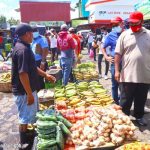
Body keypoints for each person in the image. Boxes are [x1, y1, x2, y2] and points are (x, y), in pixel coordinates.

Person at [12, 23, 56, 149]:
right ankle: (24, 143)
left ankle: (28, 138)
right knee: (24, 118)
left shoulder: (25, 47)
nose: (33, 35)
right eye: (31, 33)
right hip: (24, 91)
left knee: (28, 116)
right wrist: (29, 94)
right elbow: (23, 74)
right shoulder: (23, 50)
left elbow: (32, 67)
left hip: (27, 90)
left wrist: (45, 75)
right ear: (27, 34)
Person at [115, 11, 150, 126]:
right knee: (125, 100)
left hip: (145, 75)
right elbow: (117, 54)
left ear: (142, 21)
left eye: (136, 23)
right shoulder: (124, 35)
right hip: (127, 74)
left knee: (141, 99)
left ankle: (139, 116)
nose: (133, 26)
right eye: (131, 23)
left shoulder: (149, 34)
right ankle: (123, 119)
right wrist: (116, 70)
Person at [102, 16, 124, 104]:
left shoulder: (127, 34)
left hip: (126, 63)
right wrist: (106, 57)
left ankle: (123, 102)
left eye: (116, 24)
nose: (115, 26)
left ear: (122, 24)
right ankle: (115, 102)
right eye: (113, 25)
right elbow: (103, 47)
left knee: (124, 85)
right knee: (115, 85)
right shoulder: (111, 35)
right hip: (114, 62)